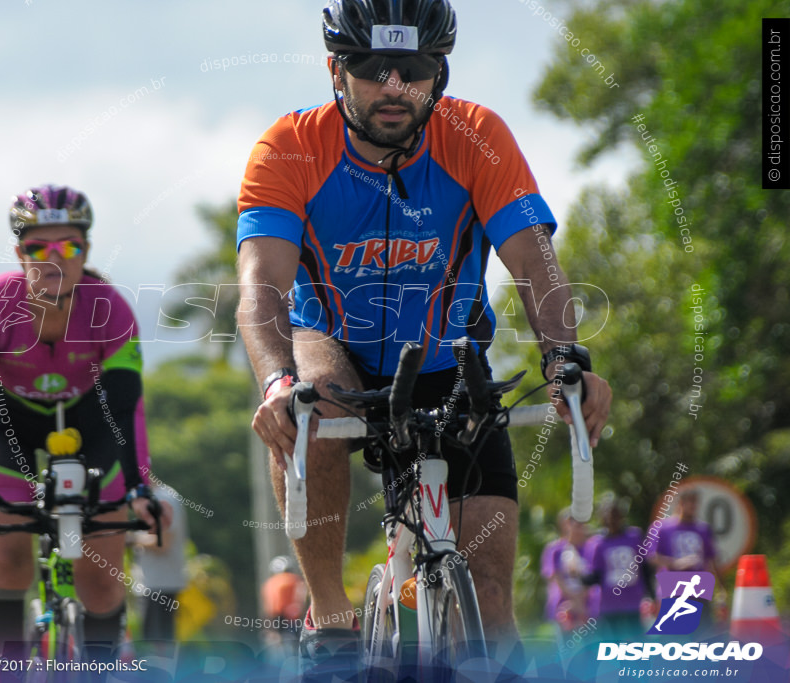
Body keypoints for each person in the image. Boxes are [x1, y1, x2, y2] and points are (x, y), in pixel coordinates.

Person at [236, 0, 612, 668]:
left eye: (410, 69)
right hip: (334, 345)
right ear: (335, 70)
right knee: (312, 400)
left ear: (437, 72)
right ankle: (331, 617)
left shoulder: (476, 135)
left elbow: (534, 261)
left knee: (492, 602)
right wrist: (275, 381)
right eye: (371, 67)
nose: (391, 86)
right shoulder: (289, 147)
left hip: (448, 360)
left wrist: (565, 358)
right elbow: (261, 287)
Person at [0, 184, 171, 659]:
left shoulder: (110, 307)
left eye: (69, 245)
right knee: (5, 558)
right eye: (38, 247)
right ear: (19, 253)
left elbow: (126, 407)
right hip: (9, 427)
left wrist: (138, 487)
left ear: (86, 250)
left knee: (100, 578)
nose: (55, 258)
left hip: (94, 427)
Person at [647, 487, 726, 632]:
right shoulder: (663, 528)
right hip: (673, 589)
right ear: (681, 503)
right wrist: (675, 563)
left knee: (704, 635)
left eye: (696, 503)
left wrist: (721, 588)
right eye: (690, 502)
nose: (693, 506)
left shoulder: (703, 529)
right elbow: (651, 556)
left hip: (699, 587)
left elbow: (712, 559)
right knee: (678, 637)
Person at [582, 497, 650, 642]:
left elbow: (645, 567)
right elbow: (595, 576)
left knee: (637, 643)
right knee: (613, 645)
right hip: (609, 604)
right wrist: (578, 574)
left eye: (615, 515)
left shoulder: (634, 536)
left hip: (633, 601)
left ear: (622, 516)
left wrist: (650, 595)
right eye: (608, 516)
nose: (612, 519)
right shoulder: (597, 543)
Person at [131, 484, 188, 642]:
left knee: (158, 645)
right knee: (159, 643)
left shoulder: (163, 500)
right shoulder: (160, 497)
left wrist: (129, 539)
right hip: (157, 583)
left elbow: (163, 543)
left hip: (158, 584)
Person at [541, 510, 593, 648]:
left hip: (587, 606)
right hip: (563, 606)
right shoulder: (555, 549)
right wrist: (573, 601)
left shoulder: (590, 547)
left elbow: (594, 576)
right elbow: (554, 577)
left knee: (590, 649)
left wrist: (581, 601)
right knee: (566, 649)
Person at [260, 555, 308, 661]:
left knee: (274, 646)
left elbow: (268, 605)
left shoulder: (268, 583)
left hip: (271, 619)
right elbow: (301, 600)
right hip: (290, 618)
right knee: (294, 646)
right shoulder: (295, 580)